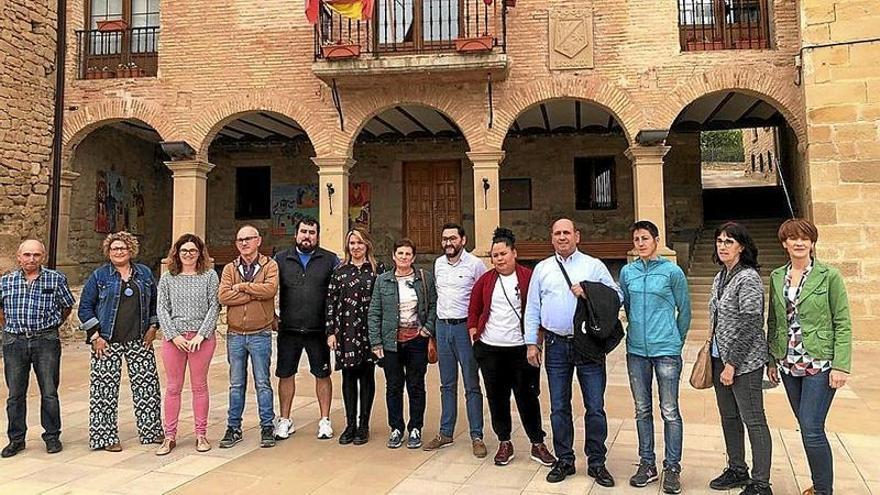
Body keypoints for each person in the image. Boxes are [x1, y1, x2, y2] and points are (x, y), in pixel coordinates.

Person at [523, 218, 621, 486]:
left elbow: (616, 296)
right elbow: (532, 308)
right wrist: (532, 342)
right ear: (551, 238)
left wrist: (589, 292)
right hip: (555, 344)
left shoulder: (593, 265)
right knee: (558, 407)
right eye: (557, 233)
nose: (562, 237)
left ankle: (597, 462)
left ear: (577, 236)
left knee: (595, 406)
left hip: (588, 344)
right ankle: (565, 459)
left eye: (567, 232)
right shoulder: (542, 269)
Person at [766, 219, 852, 495]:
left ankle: (824, 490)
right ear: (785, 244)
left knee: (811, 427)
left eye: (805, 238)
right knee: (806, 427)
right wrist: (771, 359)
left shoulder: (829, 276)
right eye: (793, 238)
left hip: (820, 363)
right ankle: (819, 485)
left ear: (813, 243)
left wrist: (841, 365)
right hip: (789, 363)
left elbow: (843, 321)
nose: (799, 243)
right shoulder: (777, 276)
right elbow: (774, 320)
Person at [467, 227, 556, 467]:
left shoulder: (529, 277)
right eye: (495, 255)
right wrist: (474, 332)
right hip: (491, 349)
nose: (499, 259)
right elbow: (474, 308)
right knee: (497, 397)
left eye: (503, 253)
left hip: (521, 349)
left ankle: (538, 443)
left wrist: (536, 341)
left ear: (514, 253)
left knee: (527, 396)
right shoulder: (485, 280)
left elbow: (540, 309)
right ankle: (504, 441)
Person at [619, 220, 691, 494]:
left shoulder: (672, 272)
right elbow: (626, 303)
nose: (640, 243)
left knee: (670, 410)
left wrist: (676, 340)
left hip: (666, 351)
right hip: (636, 350)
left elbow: (684, 310)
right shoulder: (628, 272)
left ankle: (672, 467)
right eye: (636, 238)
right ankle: (646, 462)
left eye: (645, 238)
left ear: (656, 240)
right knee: (642, 409)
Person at [78, 231, 164, 452]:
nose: (119, 252)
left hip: (139, 339)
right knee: (103, 391)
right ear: (108, 252)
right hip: (106, 341)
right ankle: (105, 437)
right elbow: (85, 308)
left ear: (131, 250)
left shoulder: (143, 273)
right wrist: (95, 335)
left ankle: (151, 431)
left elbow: (156, 302)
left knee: (147, 387)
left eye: (123, 248)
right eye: (115, 248)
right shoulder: (100, 276)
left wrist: (153, 327)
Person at [708, 222, 773, 495]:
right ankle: (737, 468)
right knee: (729, 418)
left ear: (741, 247)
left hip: (743, 362)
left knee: (754, 419)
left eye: (729, 242)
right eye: (720, 241)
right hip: (719, 358)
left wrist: (732, 364)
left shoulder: (748, 278)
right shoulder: (720, 276)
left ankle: (760, 482)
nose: (723, 246)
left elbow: (750, 323)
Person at [0, 240, 75, 458]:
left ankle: (51, 436)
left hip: (45, 341)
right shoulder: (6, 281)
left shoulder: (56, 278)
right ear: (19, 256)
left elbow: (66, 305)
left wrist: (51, 326)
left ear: (43, 257)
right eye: (27, 255)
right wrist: (9, 328)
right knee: (15, 394)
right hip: (15, 341)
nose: (31, 259)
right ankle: (16, 439)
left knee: (49, 391)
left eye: (36, 255)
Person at [424, 223, 487, 457]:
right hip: (443, 328)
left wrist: (477, 330)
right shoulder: (439, 264)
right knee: (446, 383)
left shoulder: (475, 264)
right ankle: (446, 432)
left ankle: (477, 435)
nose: (448, 243)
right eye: (444, 239)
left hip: (464, 329)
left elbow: (481, 298)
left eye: (452, 238)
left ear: (463, 239)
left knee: (471, 384)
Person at [155, 234, 220, 455]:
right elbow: (162, 308)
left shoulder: (210, 276)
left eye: (193, 250)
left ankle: (201, 434)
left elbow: (214, 306)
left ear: (200, 253)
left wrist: (202, 335)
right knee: (173, 387)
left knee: (199, 386)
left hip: (201, 339)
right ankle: (169, 435)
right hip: (175, 339)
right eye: (184, 251)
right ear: (177, 253)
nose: (188, 255)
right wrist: (174, 336)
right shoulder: (168, 278)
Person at [274, 216, 339, 440]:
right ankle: (284, 420)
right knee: (285, 374)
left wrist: (334, 327)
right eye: (303, 232)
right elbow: (269, 288)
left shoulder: (330, 260)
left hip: (318, 329)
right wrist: (272, 317)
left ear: (317, 236)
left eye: (312, 233)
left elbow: (337, 294)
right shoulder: (281, 258)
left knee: (322, 374)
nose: (307, 236)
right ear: (296, 234)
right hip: (289, 329)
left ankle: (324, 420)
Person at [369, 238, 436, 450]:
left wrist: (427, 330)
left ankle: (415, 427)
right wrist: (376, 341)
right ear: (393, 256)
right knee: (394, 387)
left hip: (416, 340)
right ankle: (396, 428)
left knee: (416, 385)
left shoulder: (423, 278)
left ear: (413, 257)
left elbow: (434, 305)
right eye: (400, 254)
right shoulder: (383, 281)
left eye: (408, 254)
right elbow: (374, 312)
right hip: (391, 342)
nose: (404, 258)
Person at [218, 225, 279, 449]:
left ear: (258, 241)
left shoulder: (270, 265)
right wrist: (253, 294)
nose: (244, 243)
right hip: (235, 334)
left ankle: (267, 426)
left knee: (263, 382)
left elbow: (270, 290)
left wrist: (243, 287)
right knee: (236, 384)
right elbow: (223, 295)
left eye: (248, 239)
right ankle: (233, 427)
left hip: (260, 333)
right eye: (240, 240)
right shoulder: (229, 268)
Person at [326, 228, 385, 445]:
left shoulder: (377, 270)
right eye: (352, 243)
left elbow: (382, 303)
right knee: (349, 378)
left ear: (367, 245)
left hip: (369, 332)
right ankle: (350, 425)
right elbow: (331, 302)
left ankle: (363, 425)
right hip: (346, 331)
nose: (356, 247)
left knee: (367, 378)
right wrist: (330, 332)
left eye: (360, 243)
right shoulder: (340, 271)